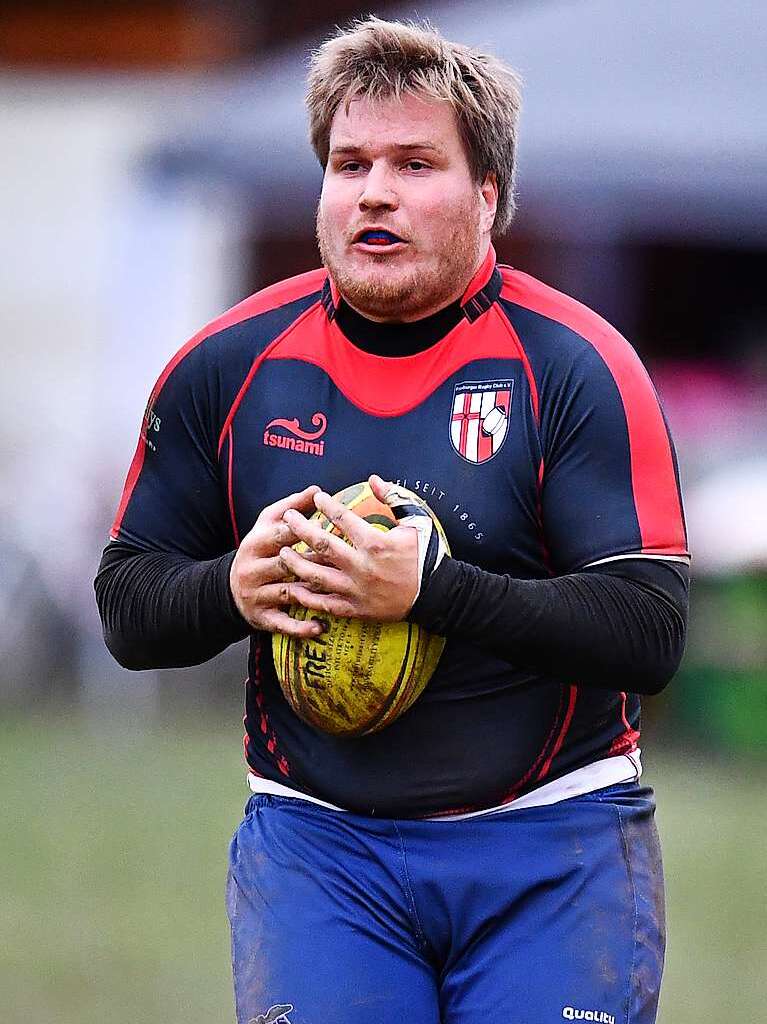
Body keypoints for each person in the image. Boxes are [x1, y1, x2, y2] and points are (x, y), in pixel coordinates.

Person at [95, 16, 689, 1024]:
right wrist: (231, 585)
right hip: (321, 852)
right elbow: (127, 605)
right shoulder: (229, 367)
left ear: (488, 196)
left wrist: (428, 590)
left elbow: (646, 629)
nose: (373, 191)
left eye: (415, 163)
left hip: (552, 847)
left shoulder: (574, 365)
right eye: (349, 162)